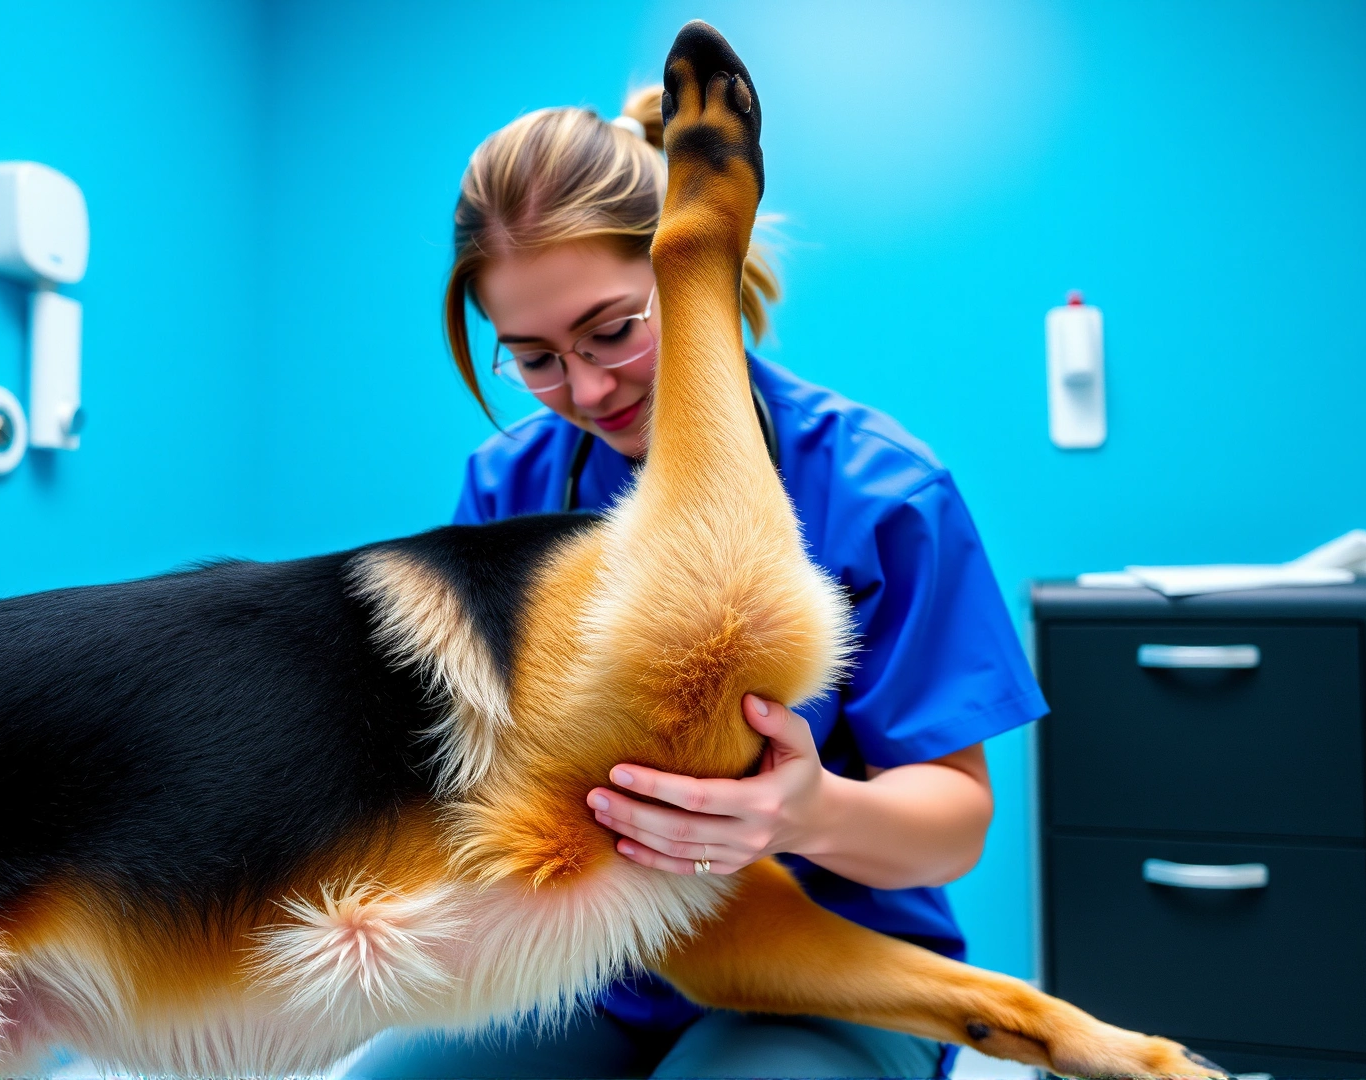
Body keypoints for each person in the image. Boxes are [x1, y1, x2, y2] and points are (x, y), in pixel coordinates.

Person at [350, 86, 1046, 1080]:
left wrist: (808, 813)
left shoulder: (877, 490)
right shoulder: (506, 485)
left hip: (832, 957)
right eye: (537, 359)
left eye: (612, 330)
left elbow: (952, 825)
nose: (587, 392)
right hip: (591, 960)